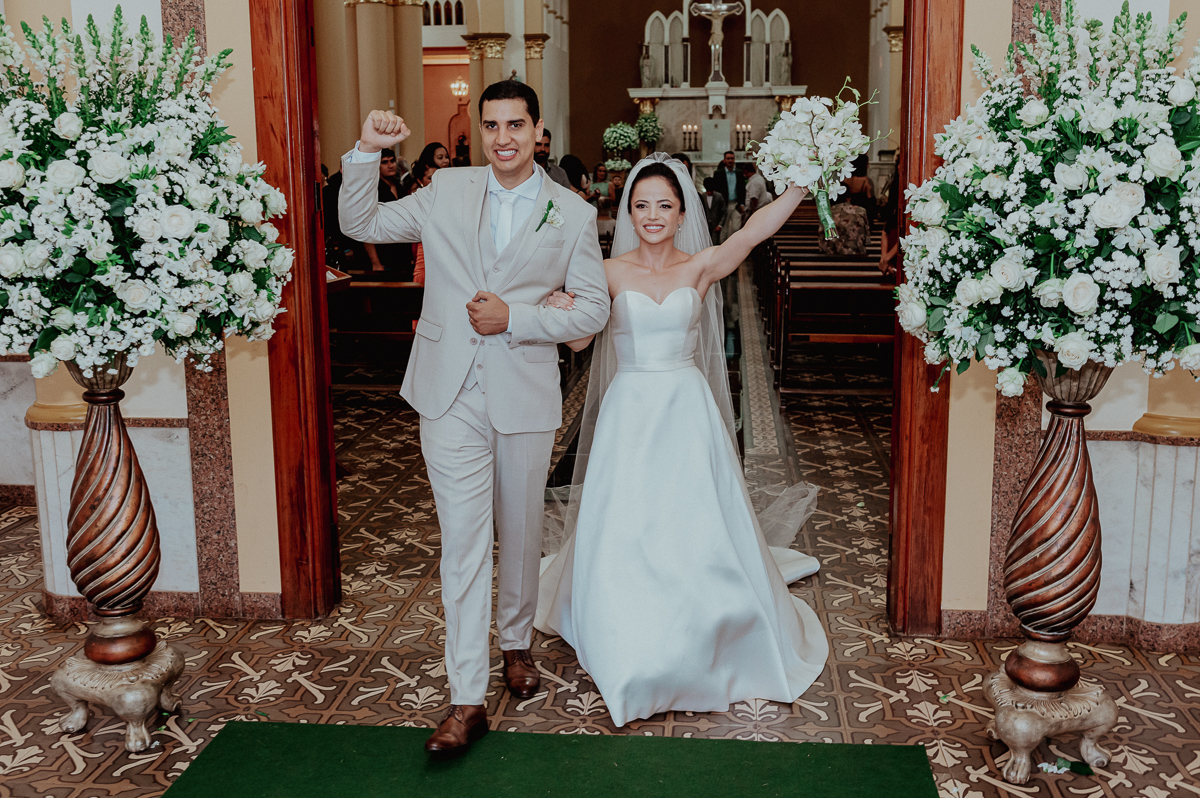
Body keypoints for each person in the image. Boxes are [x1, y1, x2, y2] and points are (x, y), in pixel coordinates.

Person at [339, 79, 610, 755]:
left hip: (524, 392)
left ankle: (516, 641)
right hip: (448, 392)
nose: (504, 138)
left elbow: (594, 310)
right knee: (462, 540)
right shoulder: (447, 190)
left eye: (516, 125)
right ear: (480, 130)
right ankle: (465, 696)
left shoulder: (569, 214)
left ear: (538, 131)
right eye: (492, 126)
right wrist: (367, 151)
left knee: (519, 531)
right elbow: (363, 224)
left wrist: (515, 318)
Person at [534, 154, 828, 727]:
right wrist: (558, 308)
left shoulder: (700, 267)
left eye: (664, 205)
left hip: (686, 410)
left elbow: (752, 231)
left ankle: (707, 618)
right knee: (629, 520)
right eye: (641, 205)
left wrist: (800, 185)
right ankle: (627, 626)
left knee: (694, 518)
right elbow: (577, 345)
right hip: (630, 411)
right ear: (628, 211)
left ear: (681, 211)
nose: (652, 215)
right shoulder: (608, 271)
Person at [711, 150, 745, 242]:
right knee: (724, 229)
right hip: (724, 204)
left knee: (736, 228)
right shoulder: (718, 173)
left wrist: (742, 203)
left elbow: (742, 189)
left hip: (736, 204)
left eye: (732, 158)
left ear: (734, 160)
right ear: (724, 160)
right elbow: (716, 189)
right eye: (728, 158)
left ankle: (733, 246)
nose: (730, 160)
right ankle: (723, 249)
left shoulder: (739, 172)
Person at [701, 176, 726, 241]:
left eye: (711, 191)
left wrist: (720, 225)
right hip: (704, 226)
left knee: (715, 244)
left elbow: (724, 212)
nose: (709, 193)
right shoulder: (702, 196)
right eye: (708, 191)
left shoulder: (719, 196)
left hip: (716, 226)